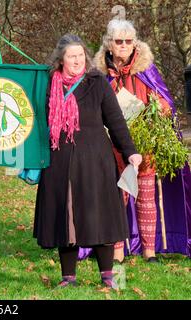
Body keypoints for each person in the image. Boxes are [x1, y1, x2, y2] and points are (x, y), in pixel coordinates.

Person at [33, 34, 142, 288]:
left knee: (99, 216)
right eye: (72, 56)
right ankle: (68, 277)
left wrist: (130, 151)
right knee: (65, 218)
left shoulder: (97, 83)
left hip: (96, 161)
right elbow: (36, 119)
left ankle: (107, 276)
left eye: (81, 55)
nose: (77, 60)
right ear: (61, 59)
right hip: (59, 162)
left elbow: (115, 120)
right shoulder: (49, 84)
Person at [94, 19, 191, 263]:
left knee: (146, 196)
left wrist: (161, 107)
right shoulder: (100, 75)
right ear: (109, 44)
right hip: (112, 146)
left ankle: (149, 250)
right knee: (118, 198)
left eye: (128, 41)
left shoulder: (147, 70)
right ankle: (116, 251)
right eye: (119, 41)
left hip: (144, 144)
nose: (124, 45)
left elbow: (167, 103)